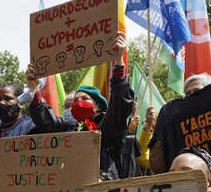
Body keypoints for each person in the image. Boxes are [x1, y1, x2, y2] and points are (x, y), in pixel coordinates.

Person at [25, 31, 134, 178]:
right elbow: (47, 122)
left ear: (97, 106)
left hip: (103, 186)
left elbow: (120, 104)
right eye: (75, 101)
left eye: (84, 98)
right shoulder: (69, 128)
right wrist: (34, 88)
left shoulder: (108, 125)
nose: (78, 103)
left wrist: (119, 61)